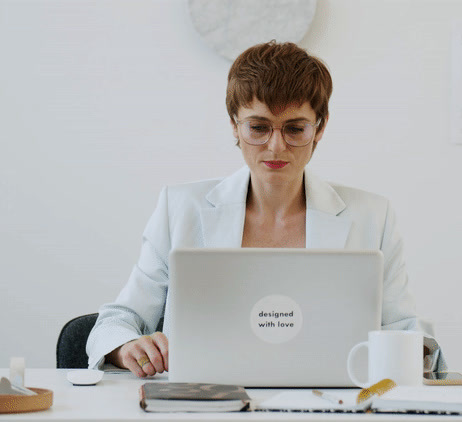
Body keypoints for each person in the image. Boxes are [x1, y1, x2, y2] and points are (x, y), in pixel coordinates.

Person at [86, 41, 442, 377]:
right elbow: (119, 319)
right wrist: (126, 346)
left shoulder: (372, 216)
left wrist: (416, 353)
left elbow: (407, 332)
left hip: (330, 400)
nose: (275, 146)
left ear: (320, 128)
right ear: (234, 126)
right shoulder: (180, 208)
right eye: (258, 127)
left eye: (295, 129)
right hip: (206, 402)